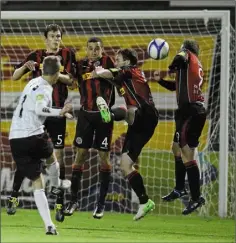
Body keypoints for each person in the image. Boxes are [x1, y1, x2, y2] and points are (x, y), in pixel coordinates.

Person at [7, 24, 76, 222]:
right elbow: (15, 76)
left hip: (57, 112)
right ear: (45, 38)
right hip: (36, 116)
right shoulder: (35, 55)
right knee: (30, 154)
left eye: (59, 36)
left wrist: (52, 71)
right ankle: (14, 195)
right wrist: (24, 67)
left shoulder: (67, 55)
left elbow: (71, 80)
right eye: (53, 36)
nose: (56, 39)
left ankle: (59, 202)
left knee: (58, 156)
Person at [93, 48, 159, 220]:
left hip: (144, 114)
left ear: (128, 61)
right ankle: (145, 202)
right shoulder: (127, 76)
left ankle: (111, 115)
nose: (116, 61)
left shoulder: (129, 70)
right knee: (125, 164)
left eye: (119, 58)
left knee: (129, 111)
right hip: (143, 121)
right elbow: (116, 79)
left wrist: (99, 71)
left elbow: (108, 72)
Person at [64, 37, 126, 219]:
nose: (93, 51)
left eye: (97, 48)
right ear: (87, 49)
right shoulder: (81, 64)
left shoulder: (108, 62)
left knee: (103, 157)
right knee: (80, 155)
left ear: (102, 49)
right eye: (90, 48)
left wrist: (104, 73)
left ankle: (100, 205)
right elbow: (71, 80)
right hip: (85, 115)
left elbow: (118, 76)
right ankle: (73, 200)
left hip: (103, 116)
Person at [156, 40, 206, 215]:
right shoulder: (191, 67)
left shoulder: (187, 55)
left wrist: (172, 64)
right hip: (188, 112)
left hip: (192, 111)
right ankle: (179, 188)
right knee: (176, 148)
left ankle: (196, 198)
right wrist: (160, 81)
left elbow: (179, 57)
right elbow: (176, 86)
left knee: (187, 154)